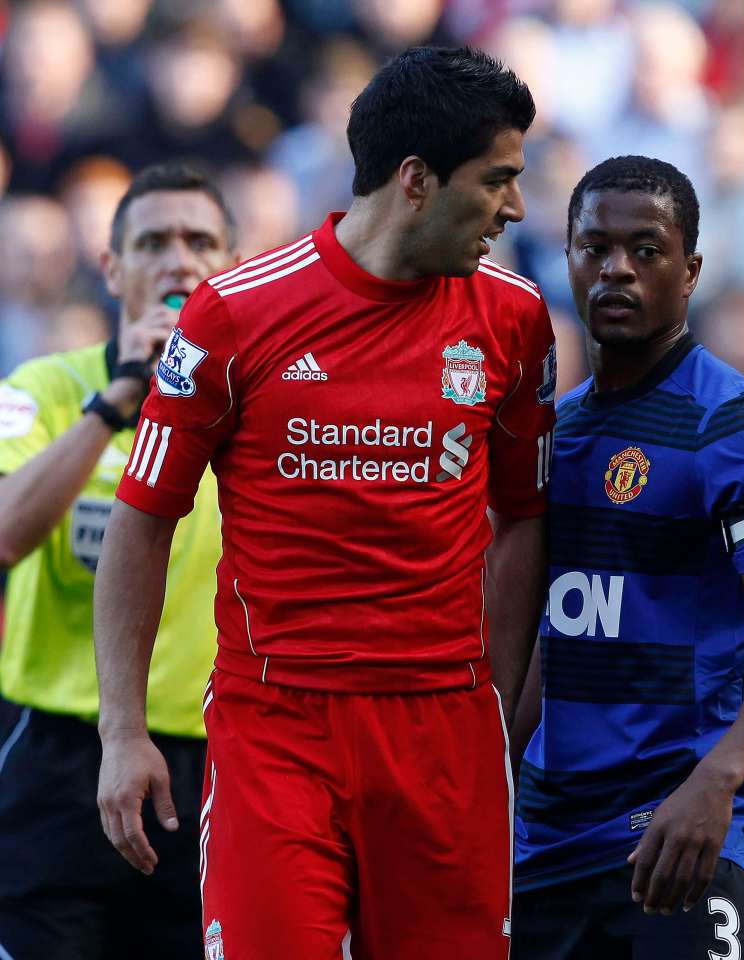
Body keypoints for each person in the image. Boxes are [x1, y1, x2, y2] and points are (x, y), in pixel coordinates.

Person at [94, 47, 556, 960]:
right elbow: (142, 520)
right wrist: (124, 730)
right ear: (417, 180)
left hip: (445, 732)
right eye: (497, 180)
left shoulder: (515, 318)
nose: (516, 209)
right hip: (279, 728)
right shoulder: (235, 314)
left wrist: (497, 706)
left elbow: (523, 521)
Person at [512, 155, 744, 960]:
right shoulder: (556, 435)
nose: (617, 268)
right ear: (568, 259)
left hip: (681, 839)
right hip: (543, 847)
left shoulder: (735, 431)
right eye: (595, 247)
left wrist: (716, 782)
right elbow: (553, 636)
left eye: (647, 250)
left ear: (689, 271)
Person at [0, 162, 239, 960]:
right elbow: (3, 535)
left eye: (201, 241)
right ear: (111, 267)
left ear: (232, 267)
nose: (179, 260)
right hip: (58, 757)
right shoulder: (47, 387)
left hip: (212, 761)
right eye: (154, 241)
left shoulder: (257, 410)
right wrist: (116, 404)